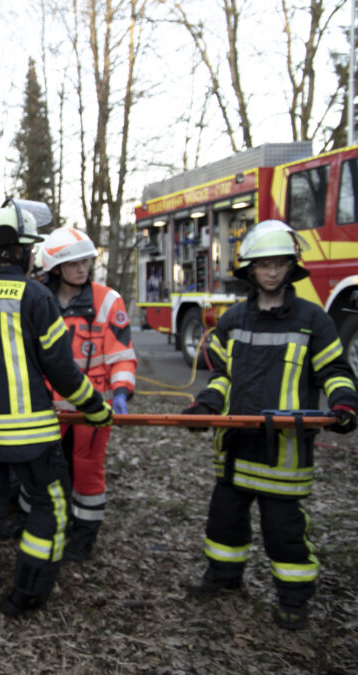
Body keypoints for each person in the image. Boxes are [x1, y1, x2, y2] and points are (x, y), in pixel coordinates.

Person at [181, 220, 357, 630]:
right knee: (224, 520)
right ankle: (223, 578)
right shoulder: (232, 321)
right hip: (236, 445)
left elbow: (333, 368)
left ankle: (294, 598)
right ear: (250, 271)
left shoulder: (314, 320)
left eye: (279, 264)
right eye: (264, 265)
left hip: (285, 450)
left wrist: (345, 401)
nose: (272, 272)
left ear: (291, 268)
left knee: (284, 531)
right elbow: (222, 377)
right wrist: (205, 408)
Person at [0, 203, 112, 627]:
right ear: (19, 252)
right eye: (30, 249)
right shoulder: (34, 295)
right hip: (30, 437)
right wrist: (95, 408)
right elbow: (61, 368)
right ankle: (25, 598)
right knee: (50, 508)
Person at [37, 227, 137, 563]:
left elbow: (120, 353)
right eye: (73, 263)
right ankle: (36, 524)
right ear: (55, 268)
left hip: (93, 405)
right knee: (42, 467)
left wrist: (121, 392)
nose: (82, 268)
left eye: (85, 261)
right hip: (47, 406)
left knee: (87, 469)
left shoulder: (107, 300)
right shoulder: (40, 300)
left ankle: (83, 538)